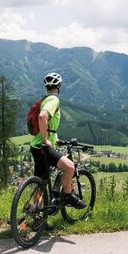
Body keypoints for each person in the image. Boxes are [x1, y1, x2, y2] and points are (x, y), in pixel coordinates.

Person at [29, 72, 87, 209]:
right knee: (70, 167)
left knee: (41, 181)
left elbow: (50, 126)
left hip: (35, 146)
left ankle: (36, 213)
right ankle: (67, 196)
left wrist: (55, 140)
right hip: (43, 147)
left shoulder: (45, 99)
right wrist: (46, 140)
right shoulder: (54, 100)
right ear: (59, 86)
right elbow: (43, 117)